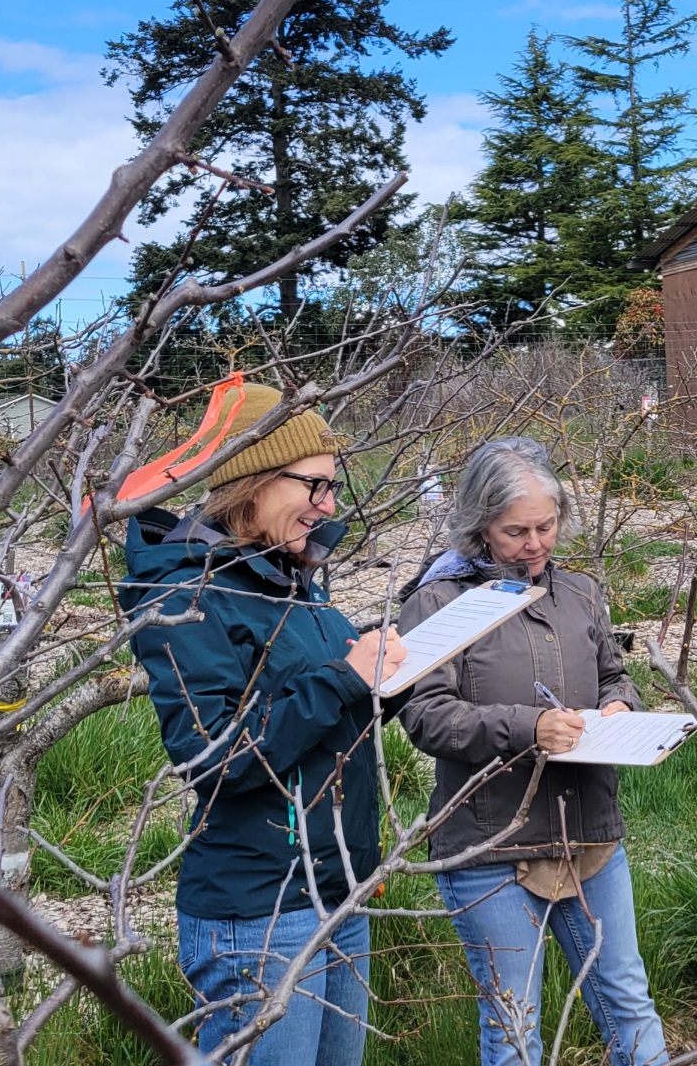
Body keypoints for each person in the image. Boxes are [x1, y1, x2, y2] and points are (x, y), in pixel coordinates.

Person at [118, 382, 407, 1066]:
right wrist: (342, 676)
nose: (329, 505)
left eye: (334, 488)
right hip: (260, 910)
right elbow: (211, 757)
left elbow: (318, 716)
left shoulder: (290, 580)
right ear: (253, 479)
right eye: (315, 485)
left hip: (335, 887)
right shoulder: (189, 593)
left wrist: (387, 681)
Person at [398, 437, 669, 1066]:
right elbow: (425, 715)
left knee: (628, 999)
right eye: (515, 530)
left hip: (590, 835)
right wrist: (529, 727)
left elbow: (614, 675)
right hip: (488, 846)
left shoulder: (580, 593)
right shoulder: (438, 602)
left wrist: (620, 707)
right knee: (514, 1025)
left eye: (546, 526)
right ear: (479, 526)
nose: (535, 544)